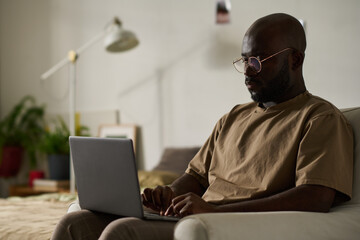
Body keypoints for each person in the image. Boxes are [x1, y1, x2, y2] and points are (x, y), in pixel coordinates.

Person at [51, 13, 353, 240]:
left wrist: (214, 212)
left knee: (122, 232)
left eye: (259, 61)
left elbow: (316, 197)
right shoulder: (233, 118)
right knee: (73, 225)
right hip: (194, 218)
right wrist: (167, 194)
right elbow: (194, 177)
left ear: (295, 59)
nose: (247, 72)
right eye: (244, 60)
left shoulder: (319, 118)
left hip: (225, 225)